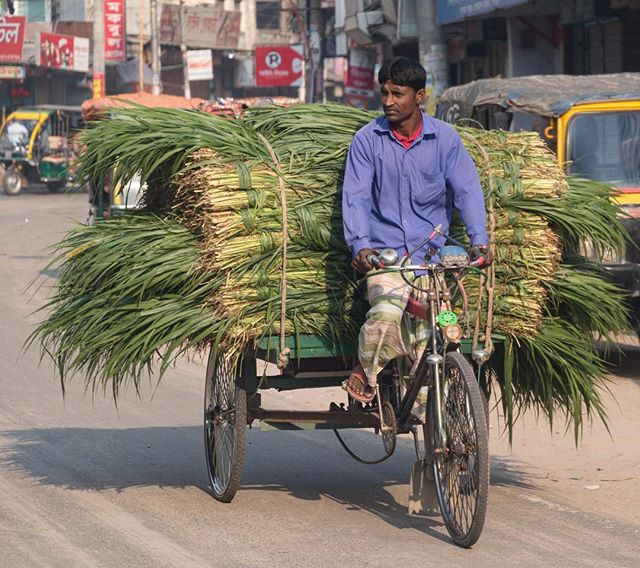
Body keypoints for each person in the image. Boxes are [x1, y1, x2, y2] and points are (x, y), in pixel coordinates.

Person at [342, 57, 491, 403]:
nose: (389, 101)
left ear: (420, 96)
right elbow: (357, 197)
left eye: (398, 93)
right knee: (387, 313)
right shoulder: (368, 140)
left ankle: (432, 422)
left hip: (434, 261)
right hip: (387, 260)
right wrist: (361, 247)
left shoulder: (445, 140)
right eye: (384, 93)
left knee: (438, 330)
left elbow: (467, 191)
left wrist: (479, 242)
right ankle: (367, 368)